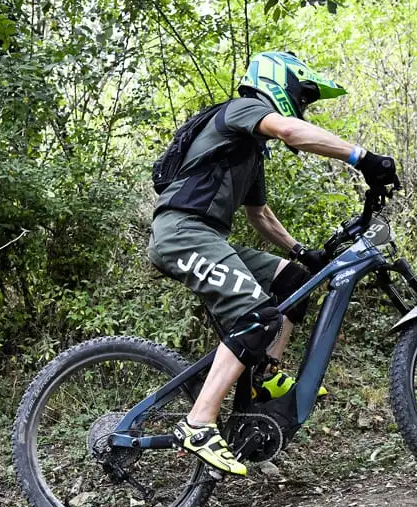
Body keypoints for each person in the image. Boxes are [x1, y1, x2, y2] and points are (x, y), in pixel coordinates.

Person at [148, 51, 397, 476]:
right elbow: (290, 130)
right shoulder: (243, 109)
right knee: (257, 317)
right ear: (278, 82)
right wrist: (362, 157)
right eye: (302, 96)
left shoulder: (248, 151)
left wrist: (301, 251)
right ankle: (199, 421)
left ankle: (264, 373)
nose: (301, 106)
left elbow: (259, 215)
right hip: (183, 233)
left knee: (293, 280)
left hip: (204, 236)